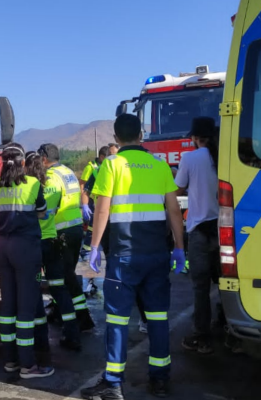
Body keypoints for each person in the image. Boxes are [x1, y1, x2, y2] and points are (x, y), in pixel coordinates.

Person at [81, 114, 185, 399]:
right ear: (142, 135)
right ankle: (160, 379)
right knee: (158, 317)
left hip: (124, 256)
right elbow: (174, 211)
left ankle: (113, 383)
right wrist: (179, 246)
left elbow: (102, 210)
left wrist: (94, 247)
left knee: (117, 320)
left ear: (116, 139)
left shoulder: (111, 165)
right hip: (156, 254)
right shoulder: (159, 164)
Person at [0, 143, 54, 379]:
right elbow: (41, 211)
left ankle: (10, 360)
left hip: (2, 247)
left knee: (8, 305)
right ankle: (29, 366)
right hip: (25, 247)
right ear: (21, 163)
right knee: (26, 307)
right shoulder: (33, 184)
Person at [81, 151, 149, 335]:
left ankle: (124, 317)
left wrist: (95, 244)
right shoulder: (101, 171)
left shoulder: (111, 169)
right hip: (121, 228)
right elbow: (87, 193)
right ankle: (137, 316)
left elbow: (102, 209)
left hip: (115, 227)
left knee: (121, 273)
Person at [26, 152, 81, 351]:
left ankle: (38, 339)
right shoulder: (55, 186)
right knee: (60, 289)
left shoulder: (29, 187)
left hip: (33, 244)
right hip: (52, 241)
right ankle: (73, 334)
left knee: (32, 289)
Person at [38, 143, 96, 332]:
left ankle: (82, 316)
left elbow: (45, 208)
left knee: (64, 276)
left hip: (60, 231)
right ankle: (60, 310)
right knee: (65, 274)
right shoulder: (67, 171)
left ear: (44, 158)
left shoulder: (52, 177)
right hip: (75, 227)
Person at [175, 117, 220, 355]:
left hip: (200, 231)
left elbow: (177, 188)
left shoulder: (190, 158)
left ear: (194, 138)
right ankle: (228, 330)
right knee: (225, 283)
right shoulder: (224, 155)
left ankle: (202, 337)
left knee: (200, 287)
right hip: (224, 231)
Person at [80, 146, 111, 261]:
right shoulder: (92, 168)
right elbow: (83, 185)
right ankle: (86, 250)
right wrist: (85, 204)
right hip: (94, 202)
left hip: (106, 205)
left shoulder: (109, 168)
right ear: (102, 157)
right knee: (93, 227)